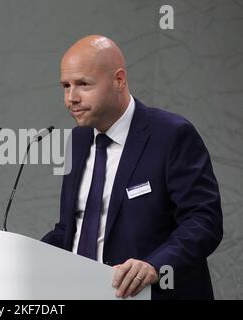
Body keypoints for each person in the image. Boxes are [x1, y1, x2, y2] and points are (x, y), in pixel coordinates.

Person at [42, 35, 223, 300]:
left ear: (119, 80)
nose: (71, 98)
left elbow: (204, 221)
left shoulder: (172, 135)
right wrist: (18, 254)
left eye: (83, 84)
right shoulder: (78, 140)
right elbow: (72, 228)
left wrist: (154, 265)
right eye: (65, 85)